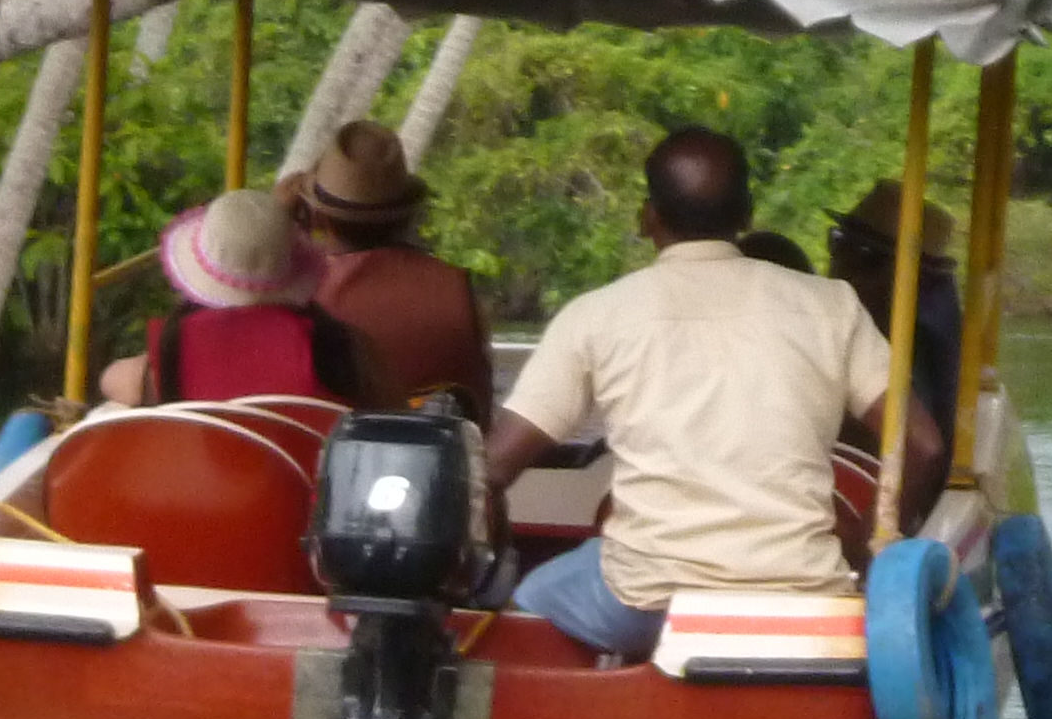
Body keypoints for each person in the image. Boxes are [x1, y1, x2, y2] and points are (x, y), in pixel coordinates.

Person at [482, 125, 946, 662]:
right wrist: (866, 554)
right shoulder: (832, 305)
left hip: (646, 600)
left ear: (647, 217)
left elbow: (494, 467)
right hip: (800, 590)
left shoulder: (595, 315)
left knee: (525, 604)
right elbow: (924, 446)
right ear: (747, 214)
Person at [97, 188, 387, 410]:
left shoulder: (175, 344)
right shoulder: (339, 345)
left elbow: (111, 381)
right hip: (305, 471)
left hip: (201, 472)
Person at [289, 119, 495, 419]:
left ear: (317, 218)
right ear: (406, 216)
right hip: (443, 444)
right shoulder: (458, 288)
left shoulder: (302, 296)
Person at [824, 179, 964, 443]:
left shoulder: (914, 342)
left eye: (861, 255)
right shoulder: (866, 320)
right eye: (836, 241)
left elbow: (916, 443)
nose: (836, 260)